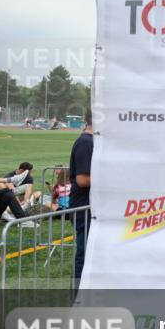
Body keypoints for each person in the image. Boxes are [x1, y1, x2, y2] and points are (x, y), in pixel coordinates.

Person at [70, 109, 94, 280]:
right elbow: (83, 180)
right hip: (84, 208)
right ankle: (79, 298)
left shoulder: (91, 141)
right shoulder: (86, 142)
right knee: (85, 256)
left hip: (91, 208)